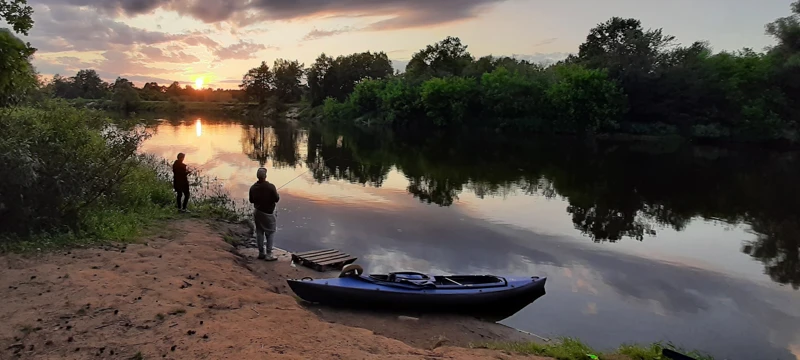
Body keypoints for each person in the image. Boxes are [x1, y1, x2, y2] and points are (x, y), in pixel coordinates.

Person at [249, 167, 280, 261]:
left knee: (259, 232)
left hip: (257, 212)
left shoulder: (253, 187)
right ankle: (269, 254)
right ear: (265, 176)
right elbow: (277, 199)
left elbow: (251, 200)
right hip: (268, 214)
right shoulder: (271, 187)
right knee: (270, 233)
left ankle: (261, 253)